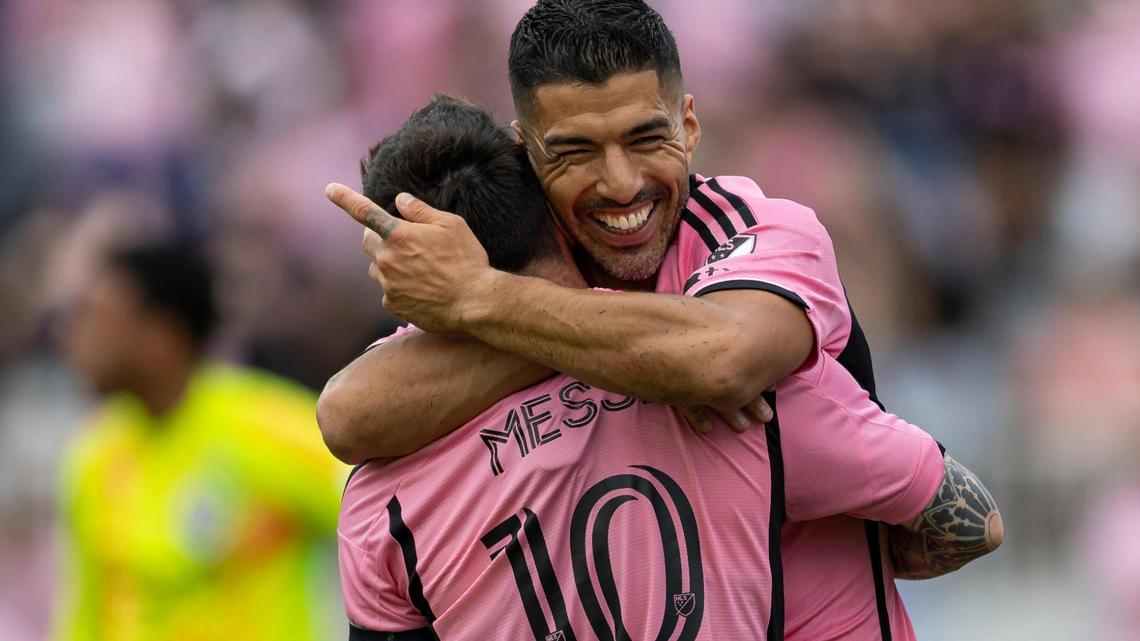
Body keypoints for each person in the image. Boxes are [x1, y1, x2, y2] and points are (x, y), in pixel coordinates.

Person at [321, 1, 1004, 638]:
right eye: (579, 150)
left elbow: (720, 356)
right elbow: (346, 414)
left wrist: (480, 298)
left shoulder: (759, 234)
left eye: (646, 137)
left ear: (690, 125)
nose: (621, 183)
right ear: (527, 153)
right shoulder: (768, 413)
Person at [54, 243, 346, 641]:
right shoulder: (95, 457)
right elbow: (86, 617)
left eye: (95, 316)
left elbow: (385, 520)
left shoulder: (265, 427)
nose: (76, 337)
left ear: (161, 333)